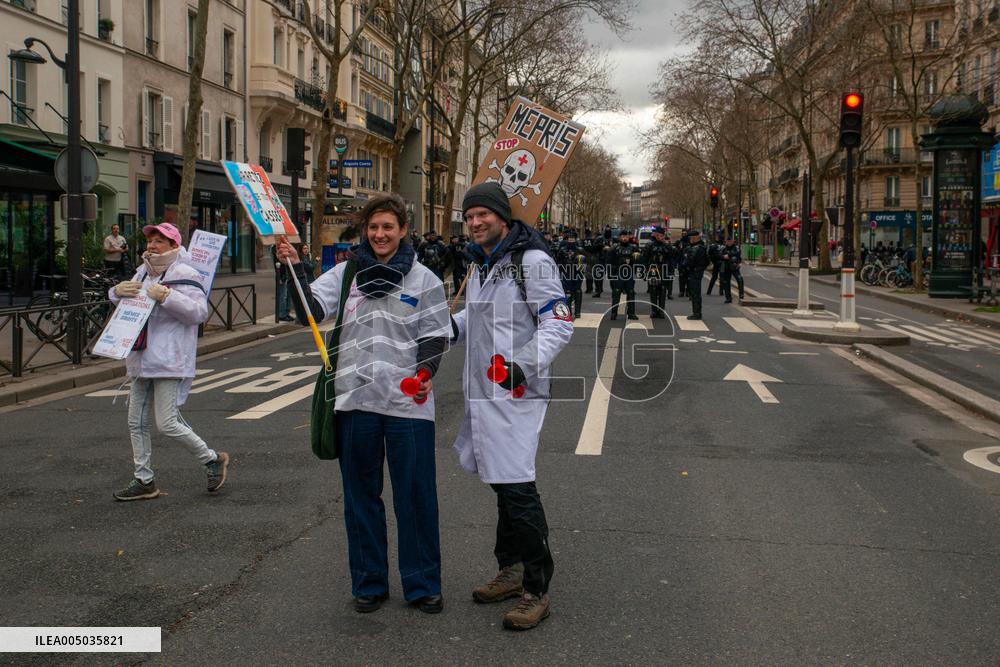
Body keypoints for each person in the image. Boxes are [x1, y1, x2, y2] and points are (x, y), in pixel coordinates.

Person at [279, 194, 450, 615]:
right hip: (354, 400)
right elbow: (309, 311)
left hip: (409, 403)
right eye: (373, 228)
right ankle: (369, 582)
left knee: (415, 496)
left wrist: (425, 373)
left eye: (388, 227)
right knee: (360, 498)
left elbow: (435, 334)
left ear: (403, 230)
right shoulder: (345, 275)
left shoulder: (425, 279)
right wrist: (291, 266)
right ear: (365, 231)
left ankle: (422, 583)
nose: (380, 235)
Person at [450, 182, 572, 631]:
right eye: (470, 216)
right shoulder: (484, 264)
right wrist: (447, 327)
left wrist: (522, 365)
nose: (476, 222)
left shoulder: (531, 262)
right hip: (484, 391)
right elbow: (478, 318)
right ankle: (512, 566)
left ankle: (536, 589)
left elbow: (558, 324)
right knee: (501, 482)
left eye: (483, 214)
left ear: (503, 217)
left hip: (516, 394)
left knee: (517, 485)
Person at [109, 222, 228, 501]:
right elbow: (132, 309)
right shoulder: (142, 272)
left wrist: (167, 296)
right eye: (150, 241)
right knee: (135, 423)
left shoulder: (186, 273)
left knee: (167, 423)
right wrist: (116, 293)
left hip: (169, 360)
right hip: (140, 358)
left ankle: (212, 459)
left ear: (174, 245)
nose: (152, 246)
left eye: (159, 241)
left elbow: (198, 313)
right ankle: (144, 480)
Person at [642, 226, 673, 318]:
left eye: (663, 235)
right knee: (653, 291)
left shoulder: (667, 246)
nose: (661, 237)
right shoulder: (649, 246)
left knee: (663, 291)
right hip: (653, 271)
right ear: (655, 235)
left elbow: (671, 260)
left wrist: (671, 272)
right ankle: (654, 311)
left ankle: (661, 311)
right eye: (659, 235)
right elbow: (645, 259)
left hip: (663, 271)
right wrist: (644, 272)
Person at [609, 229, 638, 320]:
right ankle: (614, 313)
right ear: (620, 237)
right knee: (616, 293)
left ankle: (631, 313)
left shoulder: (633, 248)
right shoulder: (615, 248)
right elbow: (609, 261)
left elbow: (638, 261)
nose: (625, 238)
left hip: (629, 273)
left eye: (626, 237)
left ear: (629, 237)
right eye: (623, 237)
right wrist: (611, 275)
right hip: (618, 273)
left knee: (631, 293)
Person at [555, 231, 585, 318]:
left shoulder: (580, 250)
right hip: (566, 274)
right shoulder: (562, 250)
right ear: (567, 239)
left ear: (575, 239)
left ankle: (578, 312)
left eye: (573, 238)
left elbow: (584, 262)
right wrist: (560, 273)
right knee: (566, 293)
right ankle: (568, 311)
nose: (571, 240)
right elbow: (558, 262)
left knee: (577, 292)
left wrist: (581, 272)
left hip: (577, 274)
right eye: (569, 238)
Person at [682, 230, 709, 320]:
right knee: (695, 293)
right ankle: (697, 312)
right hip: (698, 271)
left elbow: (689, 261)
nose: (690, 240)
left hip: (694, 272)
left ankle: (696, 313)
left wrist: (686, 260)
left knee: (695, 293)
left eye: (690, 238)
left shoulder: (695, 248)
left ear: (694, 238)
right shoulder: (702, 247)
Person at [720, 237, 745, 303]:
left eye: (730, 241)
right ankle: (728, 298)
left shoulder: (736, 248)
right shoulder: (724, 248)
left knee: (740, 280)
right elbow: (720, 256)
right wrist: (723, 257)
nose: (729, 243)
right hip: (726, 267)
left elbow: (737, 253)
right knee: (726, 283)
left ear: (733, 241)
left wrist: (728, 255)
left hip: (734, 267)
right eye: (727, 241)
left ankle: (741, 296)